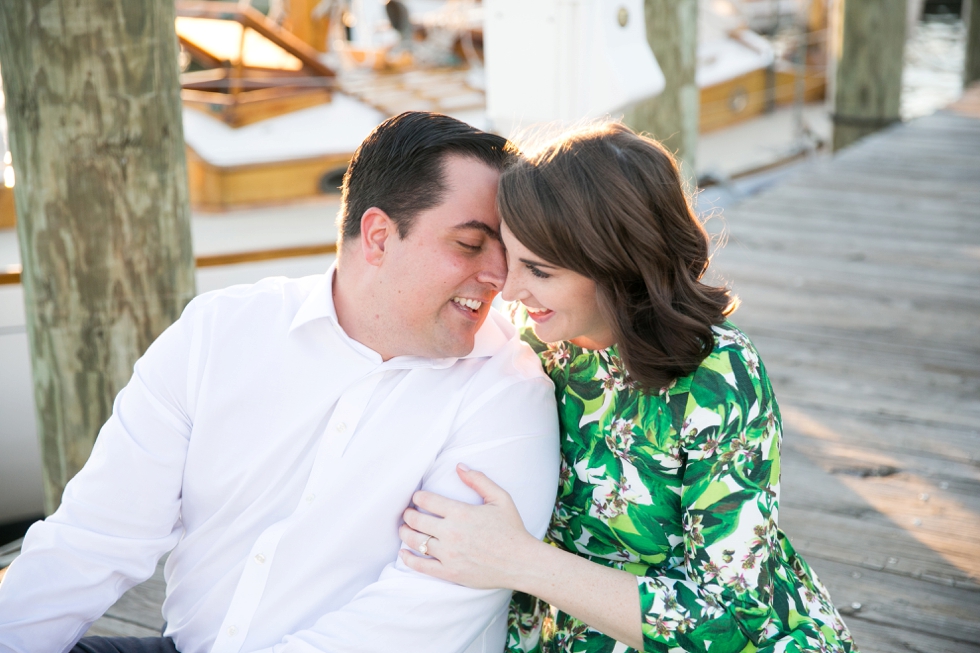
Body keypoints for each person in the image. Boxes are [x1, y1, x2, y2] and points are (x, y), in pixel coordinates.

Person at [0, 112, 560, 653]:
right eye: (470, 244)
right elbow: (94, 537)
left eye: (506, 252)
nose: (500, 278)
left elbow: (414, 621)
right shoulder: (219, 331)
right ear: (379, 237)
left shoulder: (506, 392)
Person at [397, 122, 859, 653]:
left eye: (539, 271)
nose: (510, 289)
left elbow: (730, 618)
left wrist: (518, 560)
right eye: (510, 258)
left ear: (617, 268)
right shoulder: (537, 344)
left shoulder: (718, 377)